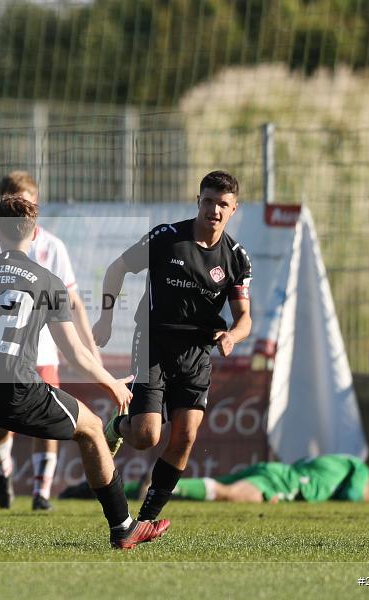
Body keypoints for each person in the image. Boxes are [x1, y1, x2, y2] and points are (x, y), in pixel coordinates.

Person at [0, 194, 168, 550]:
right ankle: (123, 528)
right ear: (34, 233)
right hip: (13, 383)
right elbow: (75, 353)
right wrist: (112, 385)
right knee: (92, 428)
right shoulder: (46, 281)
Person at [91, 170, 253, 526]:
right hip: (152, 342)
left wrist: (232, 337)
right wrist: (105, 317)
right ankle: (119, 426)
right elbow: (117, 269)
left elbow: (245, 319)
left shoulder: (237, 259)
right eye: (208, 201)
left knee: (186, 435)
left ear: (233, 209)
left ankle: (146, 520)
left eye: (222, 204)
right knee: (147, 436)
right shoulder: (167, 237)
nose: (214, 210)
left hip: (197, 353)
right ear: (199, 201)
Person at [0, 171, 101, 511]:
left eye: (29, 200)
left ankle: (41, 493)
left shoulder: (52, 245)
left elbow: (73, 300)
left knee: (48, 424)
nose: (24, 206)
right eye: (15, 200)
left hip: (44, 350)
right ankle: (3, 465)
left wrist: (91, 350)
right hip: (3, 349)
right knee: (1, 425)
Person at [59, 454, 369, 503]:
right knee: (229, 493)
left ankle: (86, 491)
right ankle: (169, 486)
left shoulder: (338, 460)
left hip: (275, 468)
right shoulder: (360, 469)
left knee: (215, 484)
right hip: (286, 483)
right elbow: (354, 494)